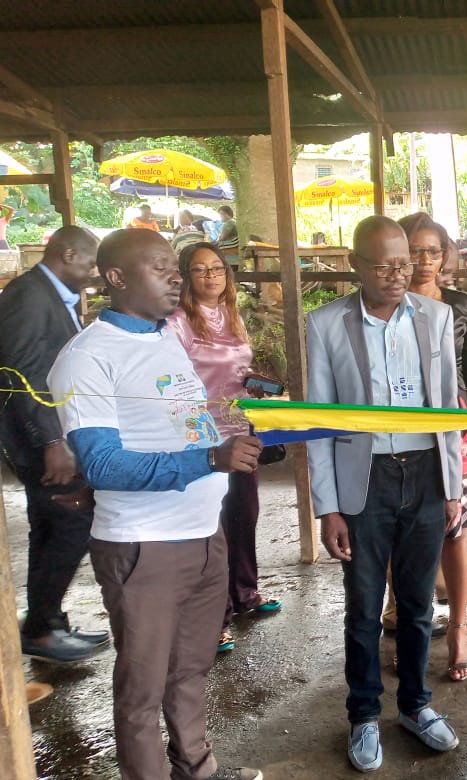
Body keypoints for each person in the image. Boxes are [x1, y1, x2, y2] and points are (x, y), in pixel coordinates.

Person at [47, 228, 263, 780]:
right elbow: (101, 464)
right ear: (116, 278)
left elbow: (183, 424)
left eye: (176, 266)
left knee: (190, 671)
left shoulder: (165, 335)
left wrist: (235, 427)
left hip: (203, 534)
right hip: (144, 546)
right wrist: (208, 462)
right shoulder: (87, 358)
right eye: (161, 267)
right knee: (142, 690)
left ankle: (197, 767)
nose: (176, 276)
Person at [307, 215, 462, 773]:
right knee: (364, 606)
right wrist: (328, 506)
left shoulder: (436, 316)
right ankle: (364, 714)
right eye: (383, 265)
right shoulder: (325, 324)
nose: (398, 275)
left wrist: (451, 485)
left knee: (420, 604)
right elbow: (320, 420)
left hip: (423, 473)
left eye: (405, 263)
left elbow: (446, 407)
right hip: (364, 480)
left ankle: (416, 706)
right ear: (355, 265)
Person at [0, 225, 111, 663]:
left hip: (45, 437)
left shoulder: (44, 294)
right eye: (89, 263)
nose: (92, 273)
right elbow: (20, 374)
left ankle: (47, 622)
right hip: (40, 440)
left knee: (50, 526)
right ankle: (43, 629)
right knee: (70, 522)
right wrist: (51, 440)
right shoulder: (29, 297)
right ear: (68, 254)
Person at [395, 211, 467, 683]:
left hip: (455, 427)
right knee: (401, 530)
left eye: (432, 251)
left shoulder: (459, 306)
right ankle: (407, 620)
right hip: (399, 429)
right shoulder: (385, 304)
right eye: (414, 251)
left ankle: (458, 628)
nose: (423, 261)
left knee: (455, 530)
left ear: (445, 255)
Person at [168, 242, 282, 654]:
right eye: (200, 270)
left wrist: (251, 380)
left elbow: (232, 368)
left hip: (240, 428)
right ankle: (213, 619)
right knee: (210, 529)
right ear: (185, 276)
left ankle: (244, 596)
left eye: (217, 268)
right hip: (202, 436)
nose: (211, 276)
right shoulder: (177, 322)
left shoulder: (231, 313)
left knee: (243, 515)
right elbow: (175, 380)